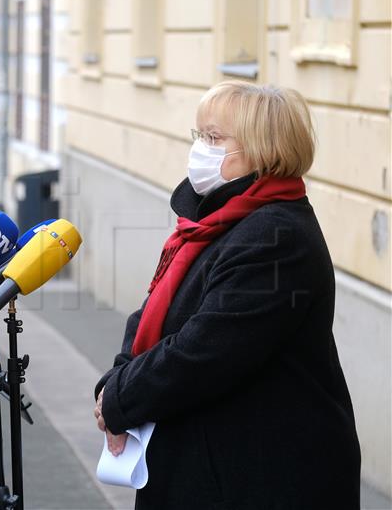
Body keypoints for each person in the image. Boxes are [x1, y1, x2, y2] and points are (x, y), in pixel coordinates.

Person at [93, 81, 361, 509]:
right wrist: (117, 383)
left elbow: (205, 350)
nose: (200, 148)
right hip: (207, 466)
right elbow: (153, 316)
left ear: (263, 149)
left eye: (214, 138)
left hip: (263, 477)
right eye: (198, 135)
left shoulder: (276, 236)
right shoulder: (209, 224)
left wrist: (123, 398)